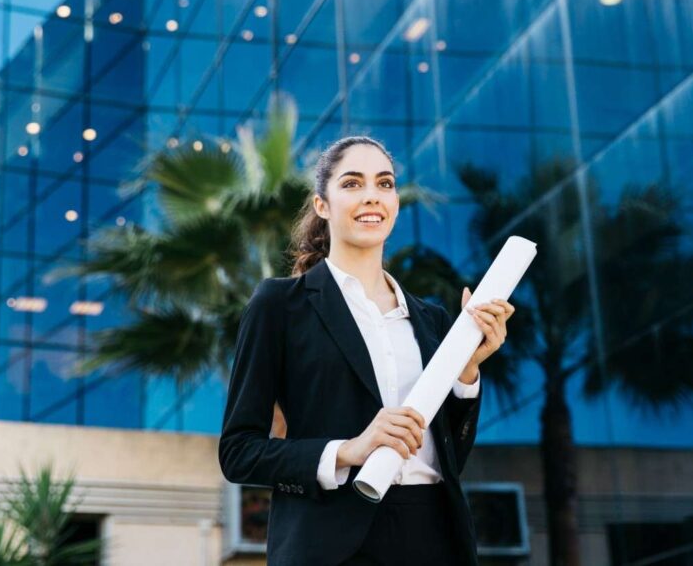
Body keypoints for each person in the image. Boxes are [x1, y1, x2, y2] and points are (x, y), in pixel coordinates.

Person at [219, 136, 514, 565]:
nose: (372, 196)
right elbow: (238, 452)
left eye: (385, 184)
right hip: (330, 543)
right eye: (353, 184)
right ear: (322, 204)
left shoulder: (431, 318)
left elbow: (450, 457)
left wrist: (466, 371)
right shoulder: (280, 305)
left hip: (433, 536)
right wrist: (347, 450)